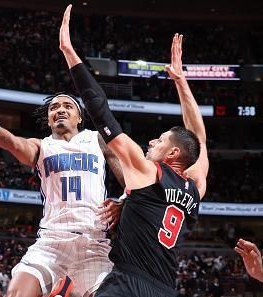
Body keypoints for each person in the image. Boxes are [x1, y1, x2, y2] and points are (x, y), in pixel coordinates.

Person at [59, 5, 209, 297]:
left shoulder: (147, 171)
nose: (152, 142)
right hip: (166, 288)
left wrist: (69, 52)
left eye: (160, 139)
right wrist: (181, 82)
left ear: (173, 154)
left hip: (128, 283)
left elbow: (101, 112)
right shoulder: (195, 188)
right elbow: (199, 140)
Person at [0, 78, 125, 296]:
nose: (60, 110)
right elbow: (12, 142)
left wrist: (122, 201)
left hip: (93, 243)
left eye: (68, 106)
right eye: (54, 107)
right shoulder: (42, 146)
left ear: (80, 117)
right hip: (52, 241)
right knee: (17, 292)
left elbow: (133, 181)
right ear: (48, 120)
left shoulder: (97, 139)